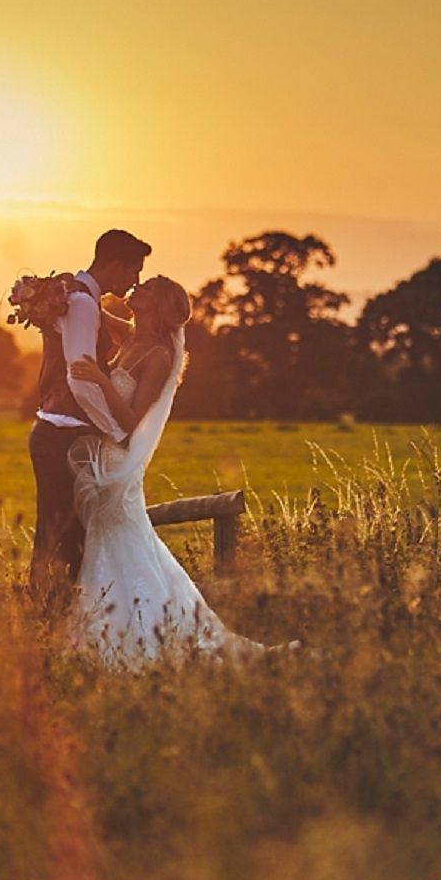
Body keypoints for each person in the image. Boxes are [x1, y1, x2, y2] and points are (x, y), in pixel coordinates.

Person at [67, 276, 293, 663]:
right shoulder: (132, 338)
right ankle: (101, 633)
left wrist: (102, 382)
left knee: (122, 542)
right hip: (102, 459)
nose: (136, 287)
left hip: (118, 462)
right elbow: (98, 318)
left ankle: (131, 639)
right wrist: (65, 295)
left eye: (148, 287)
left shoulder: (157, 356)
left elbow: (131, 425)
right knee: (119, 544)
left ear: (161, 306)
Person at [27, 229, 150, 614]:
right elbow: (81, 379)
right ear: (115, 266)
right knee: (62, 535)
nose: (136, 282)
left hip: (59, 430)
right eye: (134, 271)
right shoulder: (80, 303)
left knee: (57, 532)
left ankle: (52, 620)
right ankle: (53, 622)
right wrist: (115, 431)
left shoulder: (79, 298)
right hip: (62, 434)